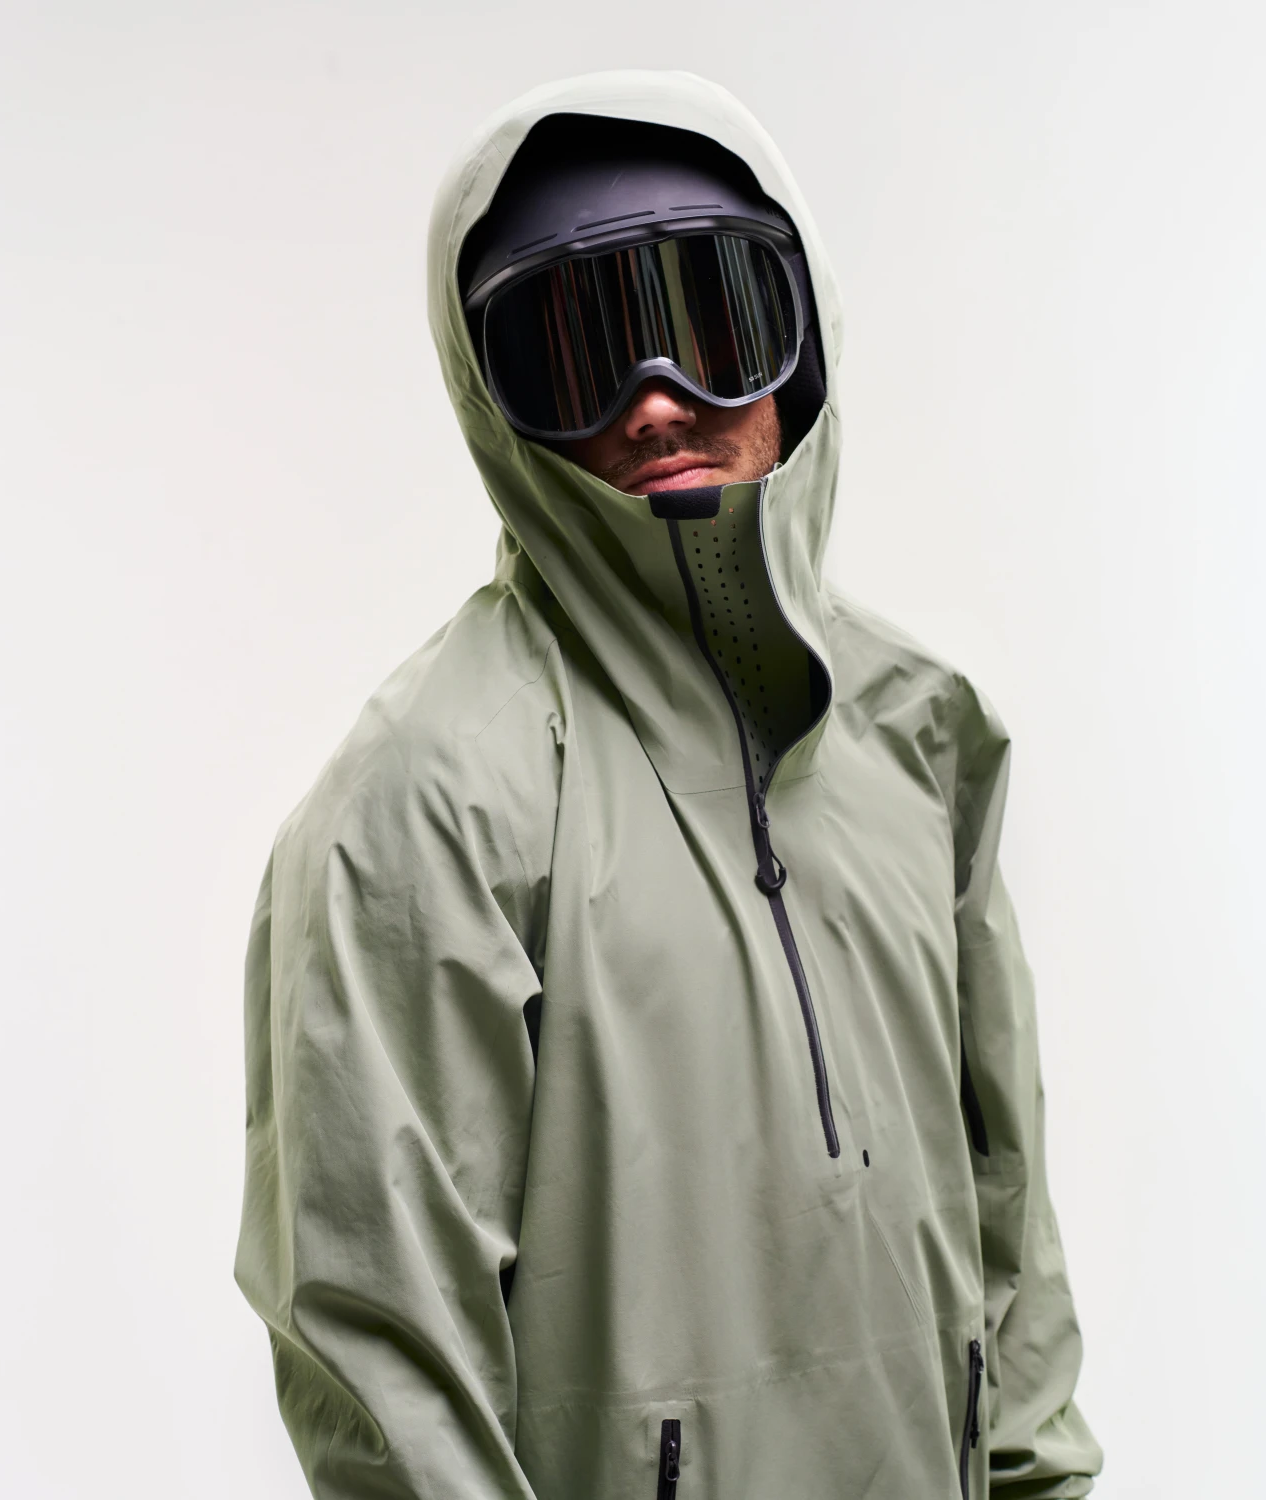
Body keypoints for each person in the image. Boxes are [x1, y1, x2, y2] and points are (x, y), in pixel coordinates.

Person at [235, 70, 1103, 1500]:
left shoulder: (924, 735)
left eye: (709, 323)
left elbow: (1015, 1248)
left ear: (795, 346)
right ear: (496, 404)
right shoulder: (427, 803)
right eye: (576, 350)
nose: (654, 402)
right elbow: (388, 1371)